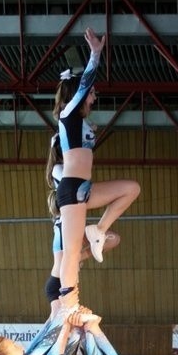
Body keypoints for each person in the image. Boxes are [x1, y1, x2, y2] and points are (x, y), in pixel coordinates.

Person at [54, 27, 140, 307]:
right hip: (71, 190)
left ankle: (100, 230)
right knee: (69, 252)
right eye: (91, 95)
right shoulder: (68, 112)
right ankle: (69, 300)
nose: (93, 98)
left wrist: (92, 133)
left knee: (131, 189)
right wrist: (95, 54)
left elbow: (83, 140)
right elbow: (84, 85)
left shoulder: (79, 123)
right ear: (78, 94)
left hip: (84, 188)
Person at [44, 133, 120, 318]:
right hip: (58, 285)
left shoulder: (72, 229)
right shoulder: (58, 170)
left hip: (63, 282)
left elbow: (114, 240)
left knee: (112, 238)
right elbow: (71, 185)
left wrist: (82, 254)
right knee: (55, 328)